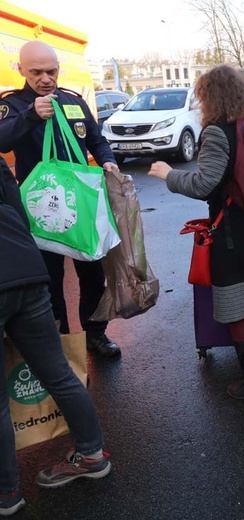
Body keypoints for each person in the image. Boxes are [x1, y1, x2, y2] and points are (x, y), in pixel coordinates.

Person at [147, 66, 244, 402]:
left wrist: (167, 174)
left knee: (240, 306)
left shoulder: (218, 131)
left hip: (233, 230)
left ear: (212, 96)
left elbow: (204, 184)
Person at [0, 156, 112, 517]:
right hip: (25, 269)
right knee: (59, 375)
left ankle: (7, 494)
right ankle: (92, 455)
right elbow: (18, 207)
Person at [0, 41, 121, 357]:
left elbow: (96, 140)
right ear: (21, 70)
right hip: (40, 211)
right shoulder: (13, 105)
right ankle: (64, 345)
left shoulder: (72, 101)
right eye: (36, 72)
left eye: (50, 71)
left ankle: (95, 333)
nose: (45, 78)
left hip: (79, 204)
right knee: (50, 281)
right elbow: (2, 141)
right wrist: (30, 116)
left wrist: (107, 160)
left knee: (93, 274)